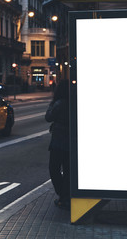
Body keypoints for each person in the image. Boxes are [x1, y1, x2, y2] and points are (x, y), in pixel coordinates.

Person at [45, 80, 70, 210]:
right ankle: (67, 195)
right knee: (67, 170)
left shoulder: (59, 103)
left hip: (59, 141)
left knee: (54, 168)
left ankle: (63, 194)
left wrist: (52, 103)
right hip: (71, 142)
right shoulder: (73, 102)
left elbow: (48, 117)